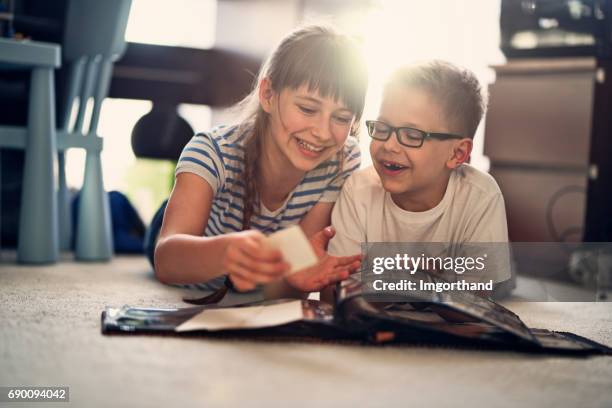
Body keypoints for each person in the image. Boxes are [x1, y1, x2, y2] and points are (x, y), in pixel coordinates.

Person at [149, 25, 367, 297]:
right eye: (307, 109)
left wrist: (295, 277)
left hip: (257, 267)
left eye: (342, 118)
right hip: (187, 231)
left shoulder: (342, 158)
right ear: (268, 95)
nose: (323, 132)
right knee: (147, 232)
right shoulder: (212, 151)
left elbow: (293, 269)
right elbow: (166, 262)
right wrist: (227, 252)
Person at [329, 60, 511, 287]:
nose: (390, 145)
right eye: (383, 128)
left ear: (457, 153)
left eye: (412, 135)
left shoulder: (480, 196)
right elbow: (336, 293)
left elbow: (477, 306)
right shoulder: (358, 191)